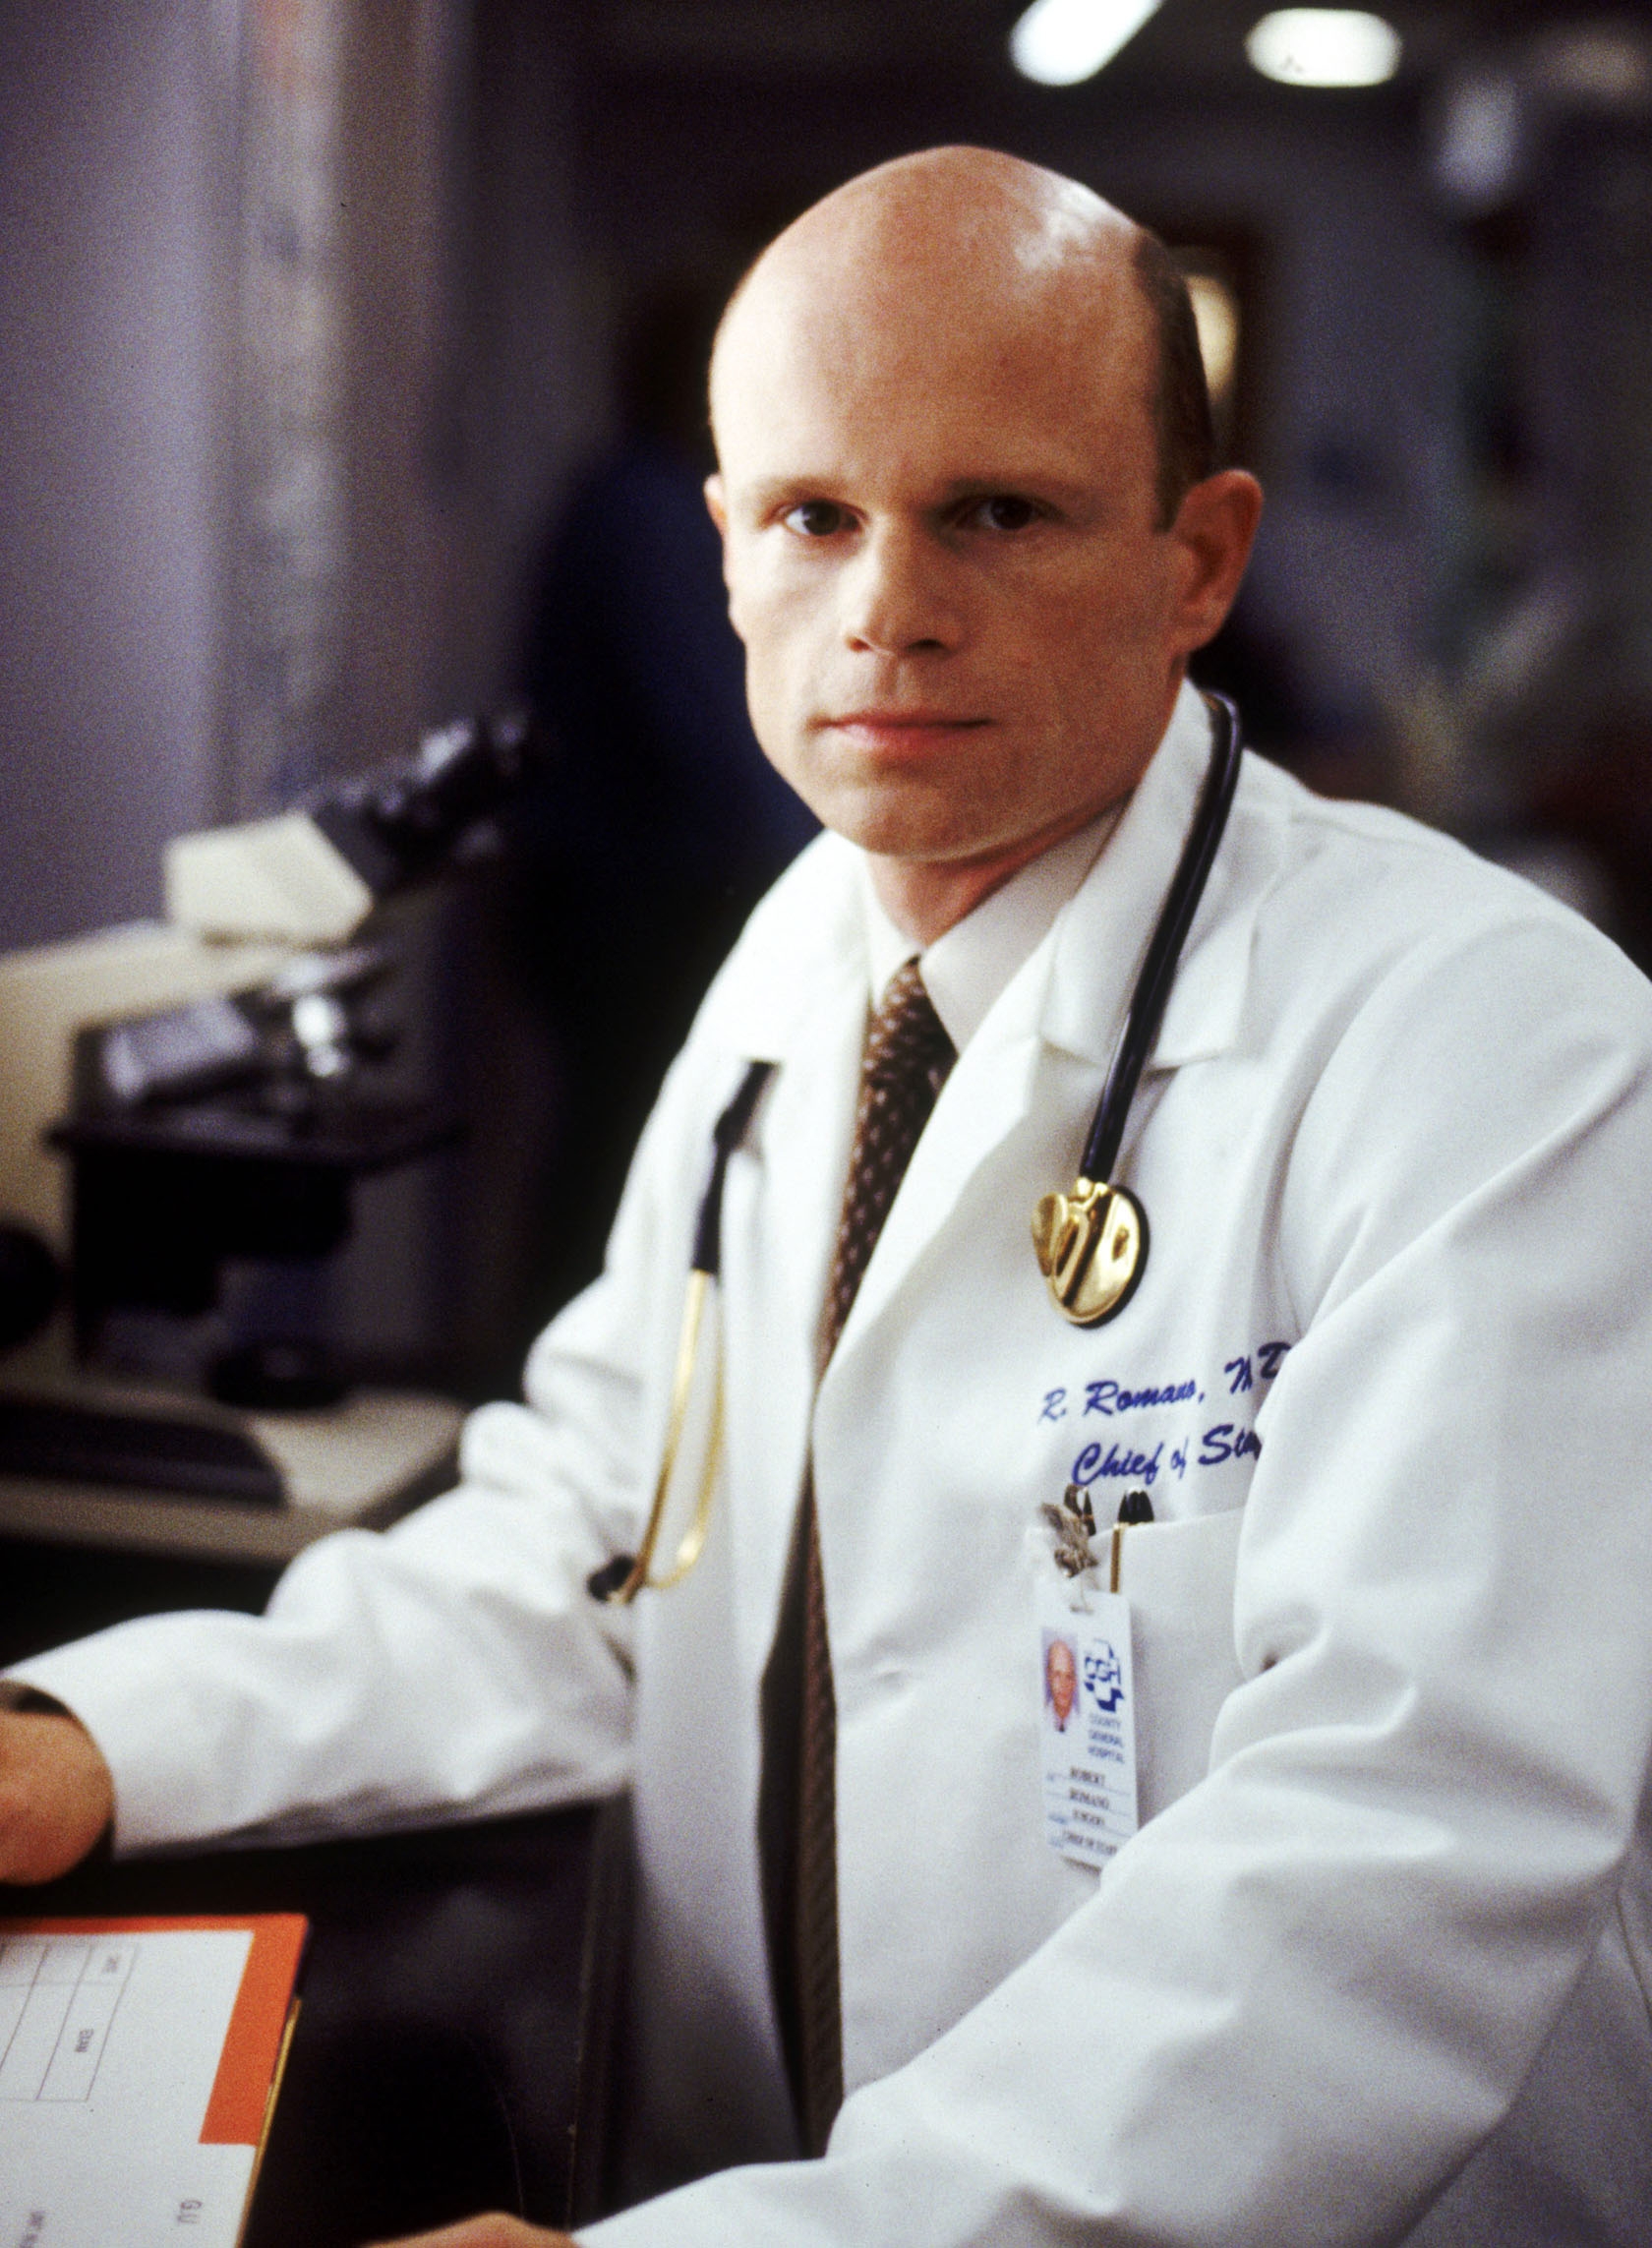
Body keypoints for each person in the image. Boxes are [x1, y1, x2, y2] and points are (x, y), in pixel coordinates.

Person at [5, 145, 1652, 2248]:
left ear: (1199, 557)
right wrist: (97, 1737)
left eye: (998, 512)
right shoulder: (803, 960)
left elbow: (1400, 1850)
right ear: (724, 554)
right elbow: (599, 1534)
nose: (887, 604)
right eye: (813, 516)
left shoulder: (1486, 1042)